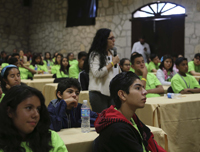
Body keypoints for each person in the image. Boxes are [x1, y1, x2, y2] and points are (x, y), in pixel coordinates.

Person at [94, 72, 166, 152]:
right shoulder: (118, 129)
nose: (145, 92)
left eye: (143, 88)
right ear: (122, 95)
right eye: (138, 88)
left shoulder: (131, 119)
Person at [0, 85, 68, 152]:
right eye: (29, 108)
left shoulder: (51, 138)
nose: (36, 114)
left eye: (38, 109)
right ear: (10, 111)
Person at [83, 28, 120, 113]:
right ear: (103, 39)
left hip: (112, 92)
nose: (114, 40)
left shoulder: (112, 52)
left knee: (113, 119)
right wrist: (112, 63)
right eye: (111, 38)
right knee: (102, 121)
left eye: (114, 38)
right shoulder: (95, 54)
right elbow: (97, 73)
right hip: (98, 94)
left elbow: (114, 73)